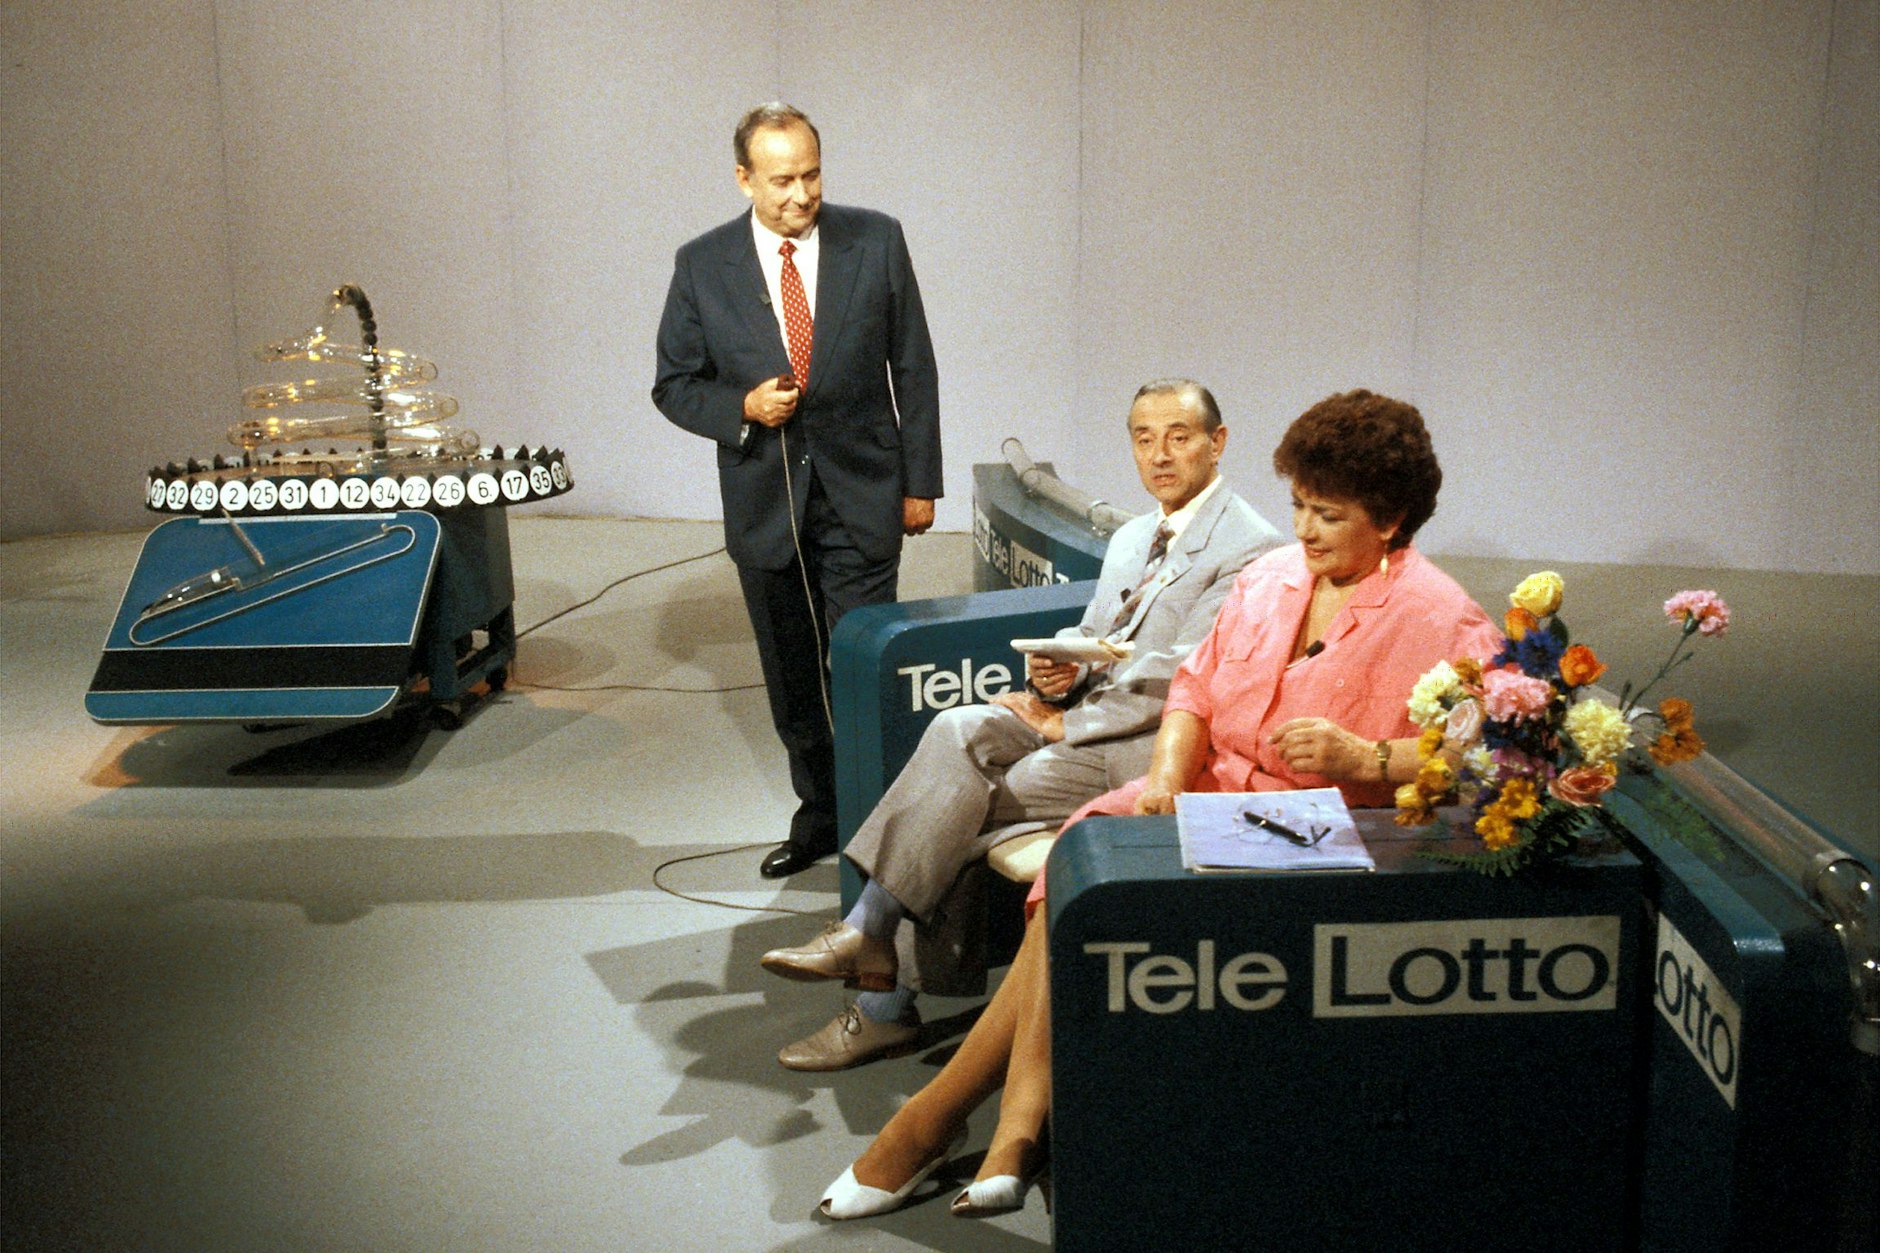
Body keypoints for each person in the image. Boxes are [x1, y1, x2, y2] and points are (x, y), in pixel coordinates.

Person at [814, 388, 1503, 1220]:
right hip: (1209, 794)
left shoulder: (1443, 617)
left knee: (1090, 884)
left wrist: (1370, 755)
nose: (1306, 530)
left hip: (1318, 830)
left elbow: (1480, 757)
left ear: (1389, 521)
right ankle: (1014, 1134)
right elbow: (1195, 688)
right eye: (1299, 507)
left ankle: (941, 1120)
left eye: (1329, 514)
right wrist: (1169, 778)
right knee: (1079, 858)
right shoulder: (1274, 578)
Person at [759, 379, 1281, 1071]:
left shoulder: (1251, 548)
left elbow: (1187, 676)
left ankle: (877, 974)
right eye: (1144, 438)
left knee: (962, 803)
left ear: (1217, 442)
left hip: (1150, 749)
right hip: (1089, 716)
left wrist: (1070, 723)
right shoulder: (1134, 535)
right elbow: (1101, 636)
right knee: (956, 730)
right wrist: (1055, 676)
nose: (1160, 455)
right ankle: (871, 944)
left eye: (1180, 437)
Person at [653, 103, 942, 879]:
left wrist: (921, 482)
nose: (801, 193)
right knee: (791, 678)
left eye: (812, 173)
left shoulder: (875, 238)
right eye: (782, 179)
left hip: (864, 492)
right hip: (765, 499)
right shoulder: (702, 263)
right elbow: (674, 384)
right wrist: (740, 407)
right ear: (744, 178)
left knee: (860, 665)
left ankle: (880, 826)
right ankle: (821, 816)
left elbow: (912, 364)